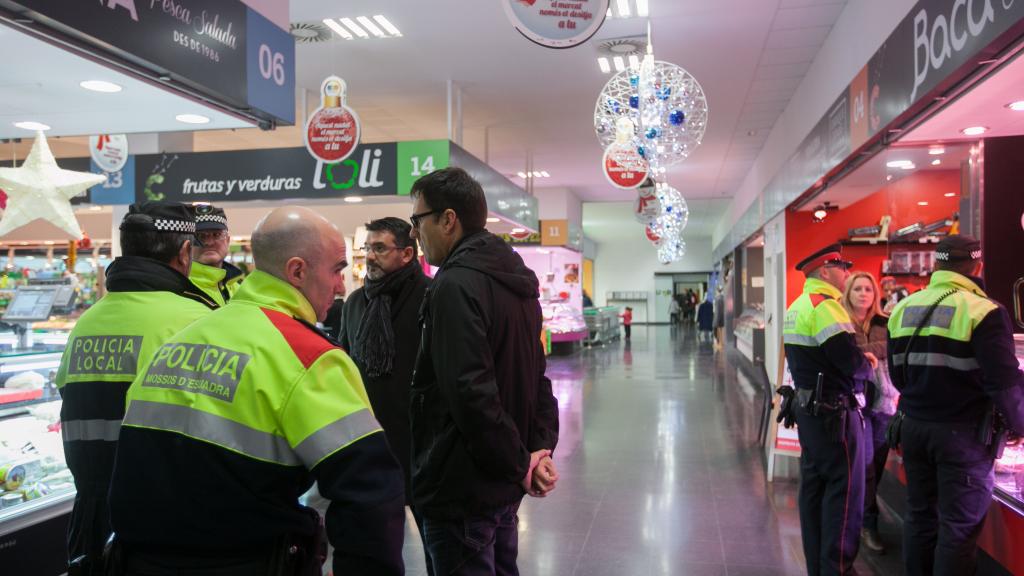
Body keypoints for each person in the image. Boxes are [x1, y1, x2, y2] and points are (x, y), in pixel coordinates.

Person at [107, 206, 406, 575]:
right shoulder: (308, 356)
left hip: (139, 562)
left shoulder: (179, 342)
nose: (342, 286)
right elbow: (370, 494)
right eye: (337, 270)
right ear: (297, 271)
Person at [408, 167, 560, 575]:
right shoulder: (515, 280)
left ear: (448, 219)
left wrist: (520, 464)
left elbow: (470, 394)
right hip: (502, 483)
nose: (414, 233)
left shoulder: (454, 285)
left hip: (462, 485)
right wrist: (535, 453)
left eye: (417, 220)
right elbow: (537, 377)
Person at [55, 202, 217, 575]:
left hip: (90, 520)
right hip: (170, 524)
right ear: (184, 253)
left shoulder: (87, 322)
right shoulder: (198, 321)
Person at [887, 235, 1024, 576]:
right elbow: (1004, 383)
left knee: (920, 517)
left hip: (915, 428)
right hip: (963, 437)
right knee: (958, 530)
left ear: (936, 265)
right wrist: (1020, 425)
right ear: (977, 266)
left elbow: (897, 376)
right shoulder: (985, 311)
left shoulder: (903, 308)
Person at [782, 243, 876, 576]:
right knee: (845, 496)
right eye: (842, 267)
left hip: (809, 414)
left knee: (813, 493)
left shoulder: (797, 306)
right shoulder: (827, 307)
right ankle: (837, 568)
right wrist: (868, 366)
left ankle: (818, 567)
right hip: (837, 417)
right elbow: (848, 361)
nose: (847, 273)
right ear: (825, 271)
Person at [338, 217, 430, 540]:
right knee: (378, 547)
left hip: (422, 445)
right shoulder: (354, 304)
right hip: (371, 443)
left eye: (379, 248)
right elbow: (344, 366)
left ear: (406, 254)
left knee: (438, 545)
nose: (370, 256)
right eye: (367, 248)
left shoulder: (430, 299)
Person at [841, 271, 898, 555]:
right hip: (853, 403)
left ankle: (864, 520)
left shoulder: (885, 321)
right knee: (863, 468)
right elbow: (843, 352)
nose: (864, 293)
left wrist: (860, 350)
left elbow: (892, 347)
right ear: (848, 293)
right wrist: (872, 351)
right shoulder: (840, 322)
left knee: (875, 465)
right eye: (858, 289)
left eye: (868, 289)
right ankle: (866, 525)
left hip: (884, 405)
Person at [188, 204, 244, 306]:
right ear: (188, 243)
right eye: (200, 236)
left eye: (216, 234)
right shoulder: (180, 288)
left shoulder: (240, 289)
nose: (209, 242)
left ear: (227, 241)